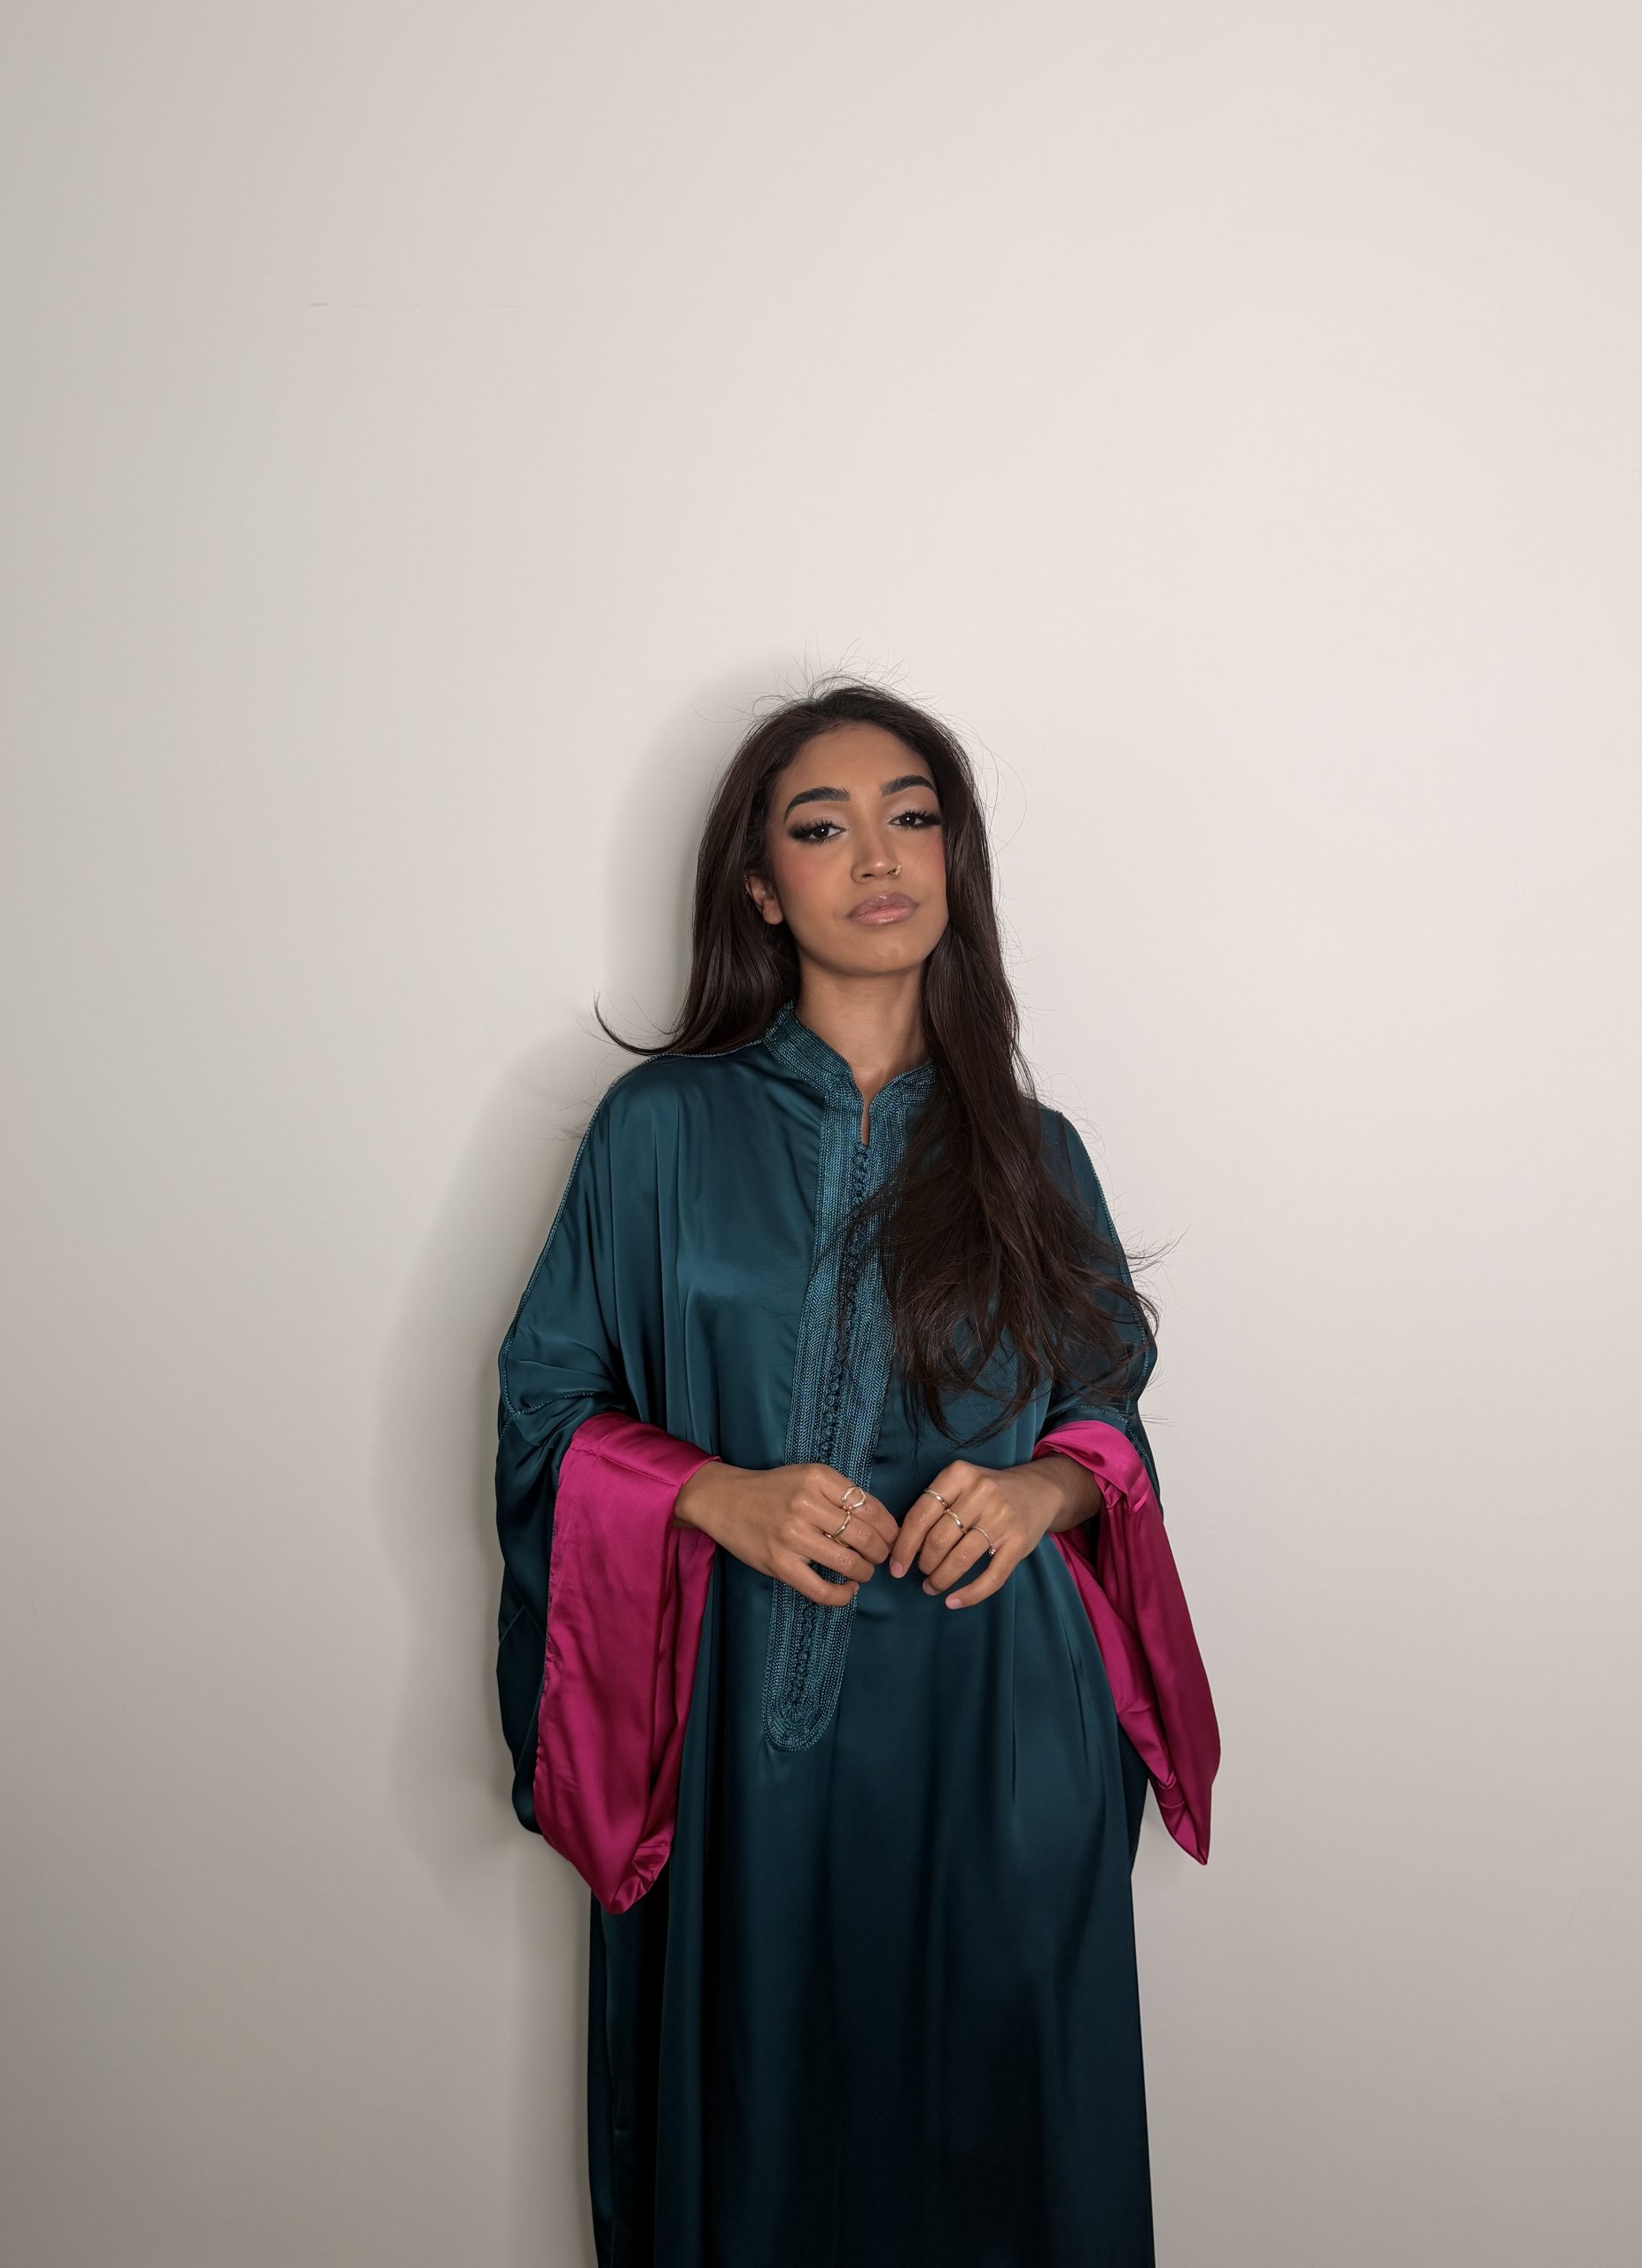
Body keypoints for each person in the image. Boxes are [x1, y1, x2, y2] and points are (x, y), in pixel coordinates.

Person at [493, 679, 1220, 2268]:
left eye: (914, 817)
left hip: (999, 1734)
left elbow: (1109, 1411)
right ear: (762, 886)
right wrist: (708, 1492)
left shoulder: (1033, 1151)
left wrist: (1044, 1490)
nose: (880, 857)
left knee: (1004, 2151)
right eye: (822, 828)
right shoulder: (660, 1132)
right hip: (746, 1752)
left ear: (955, 862)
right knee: (761, 2140)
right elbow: (548, 1400)